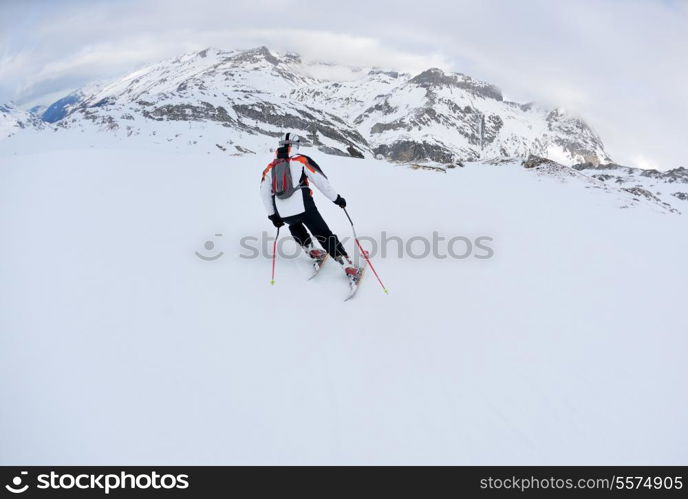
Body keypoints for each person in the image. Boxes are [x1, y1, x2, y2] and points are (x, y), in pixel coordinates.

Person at [260, 133, 360, 281]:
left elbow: (264, 192)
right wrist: (337, 199)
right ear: (295, 145)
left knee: (294, 225)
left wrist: (273, 215)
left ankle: (312, 251)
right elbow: (321, 181)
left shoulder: (270, 168)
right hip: (304, 206)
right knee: (323, 233)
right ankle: (347, 266)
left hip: (283, 212)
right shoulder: (301, 160)